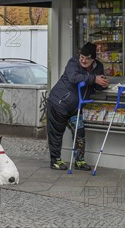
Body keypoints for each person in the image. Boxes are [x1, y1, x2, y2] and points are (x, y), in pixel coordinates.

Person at [47, 42, 109, 171]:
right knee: (56, 133)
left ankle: (79, 161)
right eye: (82, 57)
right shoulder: (73, 62)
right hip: (59, 103)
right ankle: (55, 160)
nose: (83, 60)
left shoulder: (99, 67)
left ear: (94, 59)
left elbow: (95, 84)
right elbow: (74, 78)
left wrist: (102, 84)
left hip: (76, 107)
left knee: (80, 133)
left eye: (87, 58)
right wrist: (94, 79)